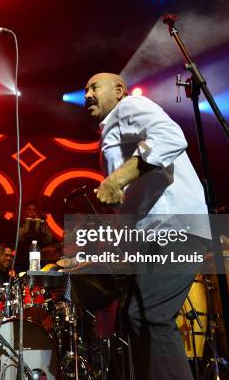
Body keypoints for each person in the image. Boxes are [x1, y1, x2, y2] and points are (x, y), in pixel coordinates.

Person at [85, 73, 210, 380]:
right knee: (134, 321)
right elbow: (134, 202)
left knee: (150, 316)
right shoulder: (109, 131)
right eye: (85, 89)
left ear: (118, 90)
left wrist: (117, 178)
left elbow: (171, 137)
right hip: (157, 234)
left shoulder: (128, 107)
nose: (87, 94)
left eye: (93, 87)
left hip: (175, 227)